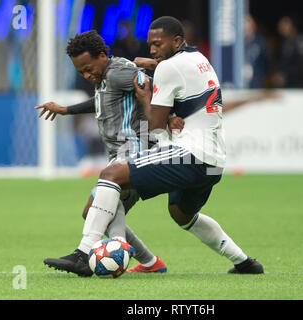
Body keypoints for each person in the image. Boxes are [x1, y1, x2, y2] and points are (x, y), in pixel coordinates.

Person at [49, 16, 264, 275]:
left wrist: (145, 96)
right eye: (150, 45)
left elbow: (156, 125)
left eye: (157, 44)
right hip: (213, 161)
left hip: (189, 155)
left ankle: (84, 254)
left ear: (176, 41)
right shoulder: (199, 60)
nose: (152, 50)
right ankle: (245, 263)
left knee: (111, 175)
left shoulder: (165, 68)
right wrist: (154, 70)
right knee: (181, 214)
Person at [36, 30, 184, 276]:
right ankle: (150, 263)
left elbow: (156, 84)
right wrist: (65, 110)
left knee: (102, 209)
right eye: (80, 71)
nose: (86, 74)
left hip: (134, 149)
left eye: (88, 68)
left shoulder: (119, 72)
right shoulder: (105, 75)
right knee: (95, 212)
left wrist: (170, 115)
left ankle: (84, 255)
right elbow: (100, 101)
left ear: (103, 55)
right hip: (118, 153)